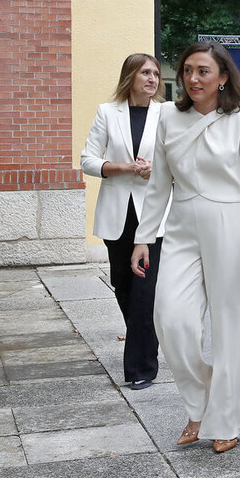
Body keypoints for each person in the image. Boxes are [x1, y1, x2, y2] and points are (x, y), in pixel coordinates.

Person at [130, 41, 240, 454]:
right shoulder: (168, 119)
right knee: (171, 320)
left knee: (229, 330)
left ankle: (223, 419)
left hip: (232, 224)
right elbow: (158, 186)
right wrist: (143, 237)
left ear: (223, 76)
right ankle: (202, 400)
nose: (193, 78)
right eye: (188, 70)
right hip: (180, 227)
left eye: (204, 71)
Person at [81, 53, 168, 391]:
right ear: (130, 76)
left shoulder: (167, 114)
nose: (152, 79)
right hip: (118, 213)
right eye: (145, 72)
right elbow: (88, 160)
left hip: (154, 213)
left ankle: (141, 366)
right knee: (123, 284)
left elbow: (176, 160)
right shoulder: (108, 112)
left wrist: (153, 169)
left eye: (156, 74)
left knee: (145, 288)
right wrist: (122, 167)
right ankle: (147, 340)